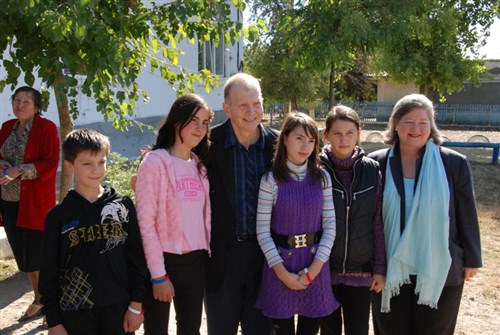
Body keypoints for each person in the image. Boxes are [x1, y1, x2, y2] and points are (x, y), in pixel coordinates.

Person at [368, 94, 482, 335]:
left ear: (431, 126)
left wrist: (472, 257)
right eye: (408, 121)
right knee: (391, 329)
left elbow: (466, 213)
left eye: (423, 121)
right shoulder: (375, 163)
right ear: (395, 124)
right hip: (391, 266)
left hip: (439, 264)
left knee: (435, 329)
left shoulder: (454, 163)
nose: (416, 128)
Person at [39, 129, 148, 335]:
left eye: (101, 161)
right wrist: (54, 321)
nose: (96, 169)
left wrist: (136, 305)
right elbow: (48, 271)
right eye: (87, 163)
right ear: (70, 165)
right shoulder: (58, 216)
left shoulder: (123, 206)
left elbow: (137, 258)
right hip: (75, 312)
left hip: (119, 307)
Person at [204, 73, 278, 335]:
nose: (252, 111)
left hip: (266, 258)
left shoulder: (278, 145)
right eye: (243, 105)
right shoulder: (208, 145)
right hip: (222, 259)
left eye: (256, 103)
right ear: (227, 108)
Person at [135, 94, 213, 335]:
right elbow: (145, 222)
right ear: (177, 121)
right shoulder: (155, 162)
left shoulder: (199, 164)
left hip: (195, 261)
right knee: (157, 329)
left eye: (205, 122)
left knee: (190, 328)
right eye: (194, 120)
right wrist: (158, 276)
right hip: (163, 261)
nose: (200, 128)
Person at [255, 112, 338, 335]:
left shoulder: (323, 178)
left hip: (315, 266)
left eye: (311, 140)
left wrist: (313, 270)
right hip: (280, 268)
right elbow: (262, 232)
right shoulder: (270, 180)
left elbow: (330, 225)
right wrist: (282, 274)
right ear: (285, 138)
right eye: (299, 138)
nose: (305, 146)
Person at [319, 106, 386, 335]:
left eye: (349, 132)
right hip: (324, 269)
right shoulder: (316, 169)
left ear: (359, 132)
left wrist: (379, 267)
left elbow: (377, 221)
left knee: (358, 329)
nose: (344, 139)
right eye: (337, 133)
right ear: (326, 135)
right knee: (329, 330)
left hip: (361, 271)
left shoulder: (371, 170)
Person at [0, 86, 59, 321]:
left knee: (40, 254)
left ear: (36, 106)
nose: (20, 105)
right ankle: (40, 298)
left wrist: (19, 171)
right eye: (17, 100)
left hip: (34, 203)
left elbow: (51, 162)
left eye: (26, 101)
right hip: (9, 202)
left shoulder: (46, 128)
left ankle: (50, 303)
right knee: (24, 256)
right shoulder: (6, 127)